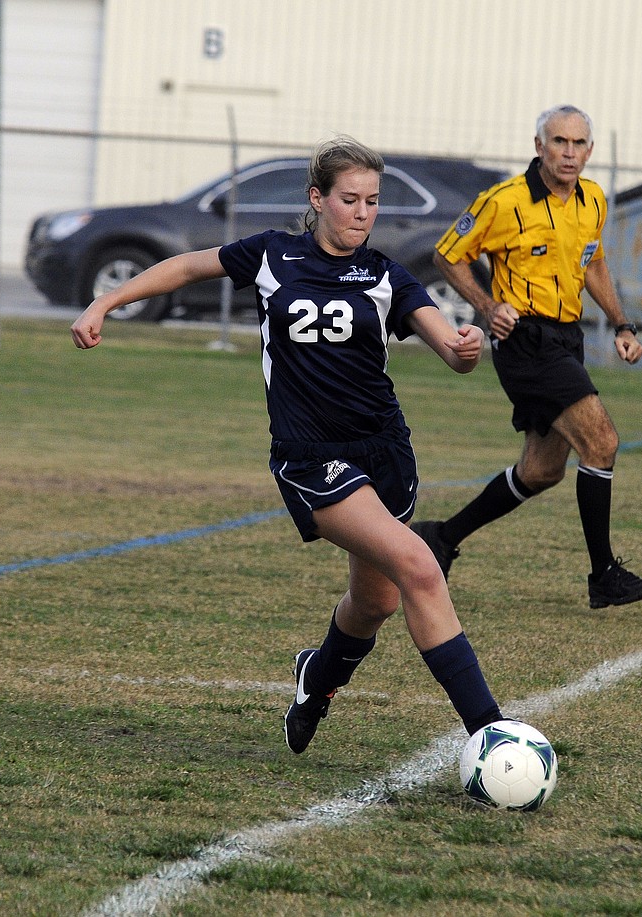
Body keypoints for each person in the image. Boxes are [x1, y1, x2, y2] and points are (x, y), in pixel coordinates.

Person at [71, 135, 504, 754]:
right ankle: (491, 732)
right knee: (419, 566)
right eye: (350, 199)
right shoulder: (273, 256)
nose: (362, 212)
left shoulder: (385, 274)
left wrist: (464, 349)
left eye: (373, 201)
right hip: (311, 455)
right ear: (317, 199)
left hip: (384, 451)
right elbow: (191, 265)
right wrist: (107, 301)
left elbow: (447, 347)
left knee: (374, 599)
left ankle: (317, 681)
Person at [412, 105, 642, 610]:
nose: (569, 153)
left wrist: (621, 324)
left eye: (579, 144)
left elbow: (594, 264)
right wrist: (487, 306)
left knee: (542, 470)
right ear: (539, 145)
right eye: (559, 142)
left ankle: (441, 536)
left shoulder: (592, 198)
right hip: (526, 342)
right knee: (602, 442)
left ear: (590, 150)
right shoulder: (504, 201)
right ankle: (603, 575)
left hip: (568, 339)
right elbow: (447, 253)